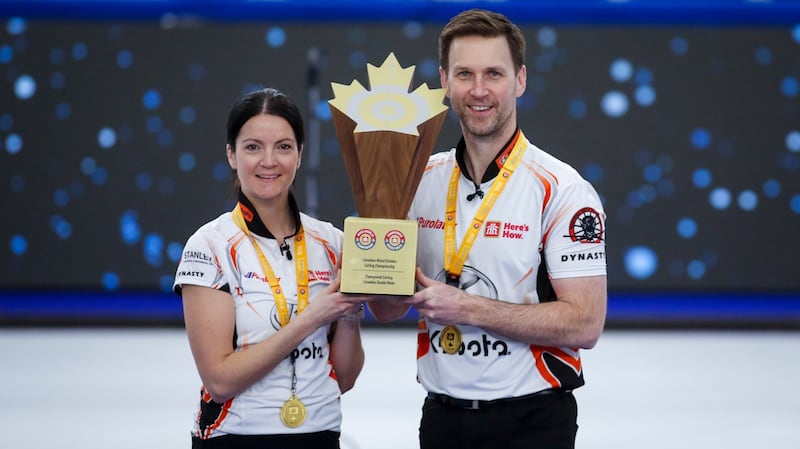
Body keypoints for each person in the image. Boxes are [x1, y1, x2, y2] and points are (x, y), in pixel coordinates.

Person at [367, 9, 608, 449]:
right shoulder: (417, 180)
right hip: (441, 417)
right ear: (445, 81)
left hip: (533, 422)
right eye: (465, 74)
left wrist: (467, 308)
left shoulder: (562, 189)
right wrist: (369, 271)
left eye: (494, 74)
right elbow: (385, 310)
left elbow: (585, 324)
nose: (479, 90)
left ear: (520, 80)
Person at [173, 87, 368, 449]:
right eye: (252, 147)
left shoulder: (333, 242)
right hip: (236, 439)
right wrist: (313, 317)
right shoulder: (210, 246)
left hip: (320, 436)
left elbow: (344, 377)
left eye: (283, 147)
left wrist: (349, 311)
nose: (269, 161)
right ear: (231, 155)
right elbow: (219, 381)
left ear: (299, 155)